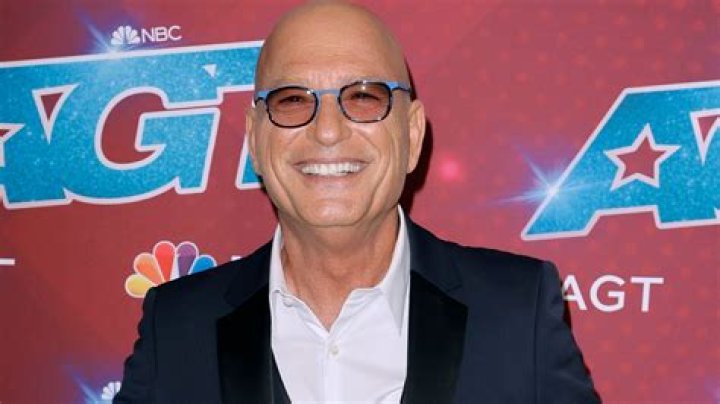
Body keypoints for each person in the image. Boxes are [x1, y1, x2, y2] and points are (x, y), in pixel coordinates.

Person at [115, 2, 600, 403]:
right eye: (292, 100)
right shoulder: (175, 326)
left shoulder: (518, 311)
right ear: (255, 139)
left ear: (412, 135)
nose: (327, 130)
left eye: (365, 98)